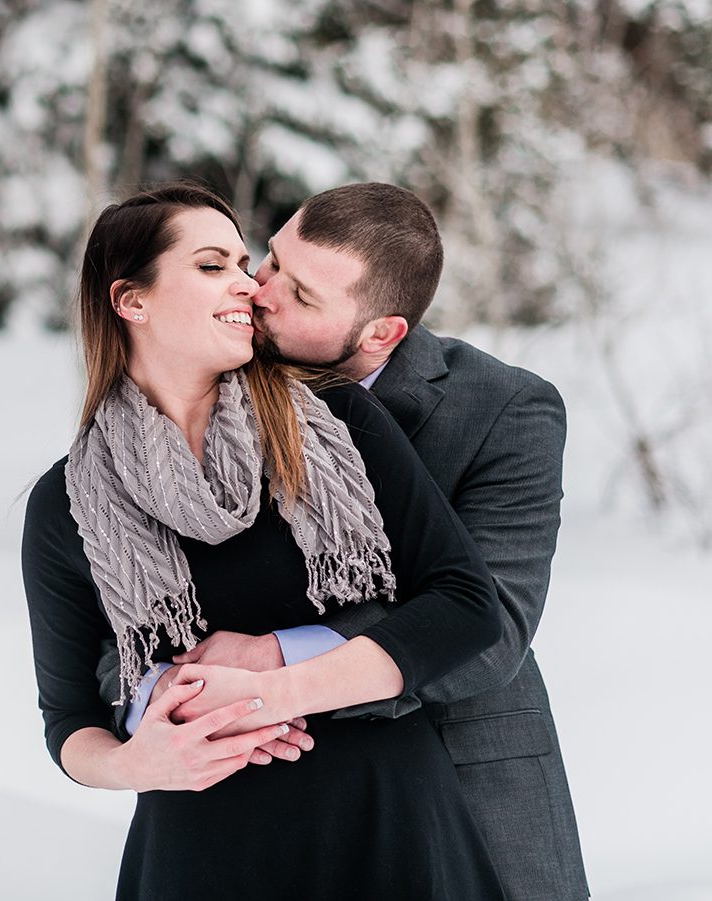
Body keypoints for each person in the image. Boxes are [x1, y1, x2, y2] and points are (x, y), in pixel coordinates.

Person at [100, 183, 588, 901]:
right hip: (245, 801)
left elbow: (493, 628)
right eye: (269, 264)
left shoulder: (504, 410)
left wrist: (273, 659)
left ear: (381, 333)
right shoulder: (209, 382)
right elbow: (121, 604)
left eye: (299, 295)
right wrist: (168, 692)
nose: (258, 294)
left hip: (456, 781)